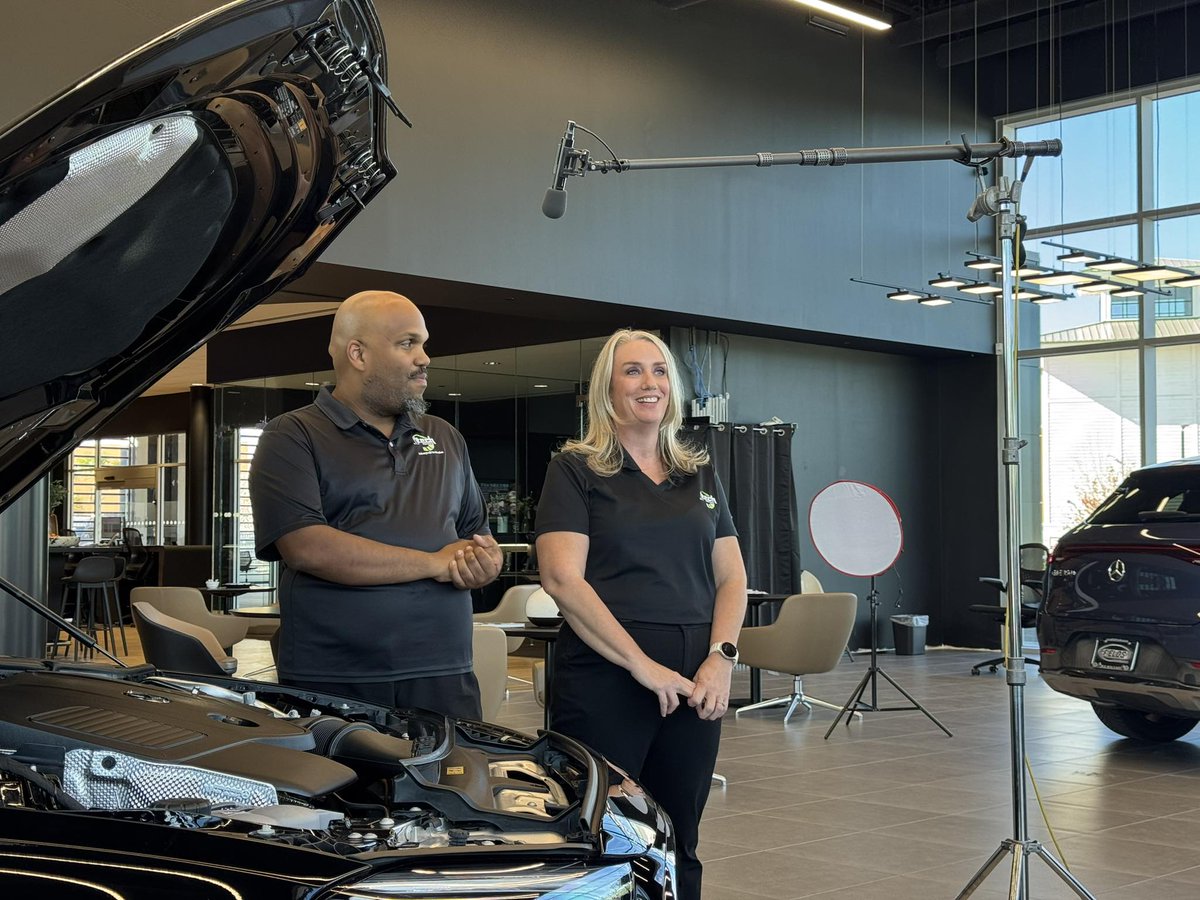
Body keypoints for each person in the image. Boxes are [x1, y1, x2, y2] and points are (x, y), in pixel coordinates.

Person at [535, 329, 747, 900]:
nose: (648, 383)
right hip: (607, 678)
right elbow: (561, 578)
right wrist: (642, 666)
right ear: (607, 386)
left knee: (680, 837)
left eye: (658, 371)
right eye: (632, 371)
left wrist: (722, 658)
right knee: (600, 838)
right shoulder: (575, 470)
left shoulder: (698, 472)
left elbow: (732, 577)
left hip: (696, 684)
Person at [249, 290, 502, 718]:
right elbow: (308, 547)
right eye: (407, 344)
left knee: (451, 786)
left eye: (423, 344)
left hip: (444, 674)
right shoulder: (292, 435)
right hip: (335, 679)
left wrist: (485, 565)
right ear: (358, 354)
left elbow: (477, 540)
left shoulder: (445, 436)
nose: (424, 358)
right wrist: (435, 563)